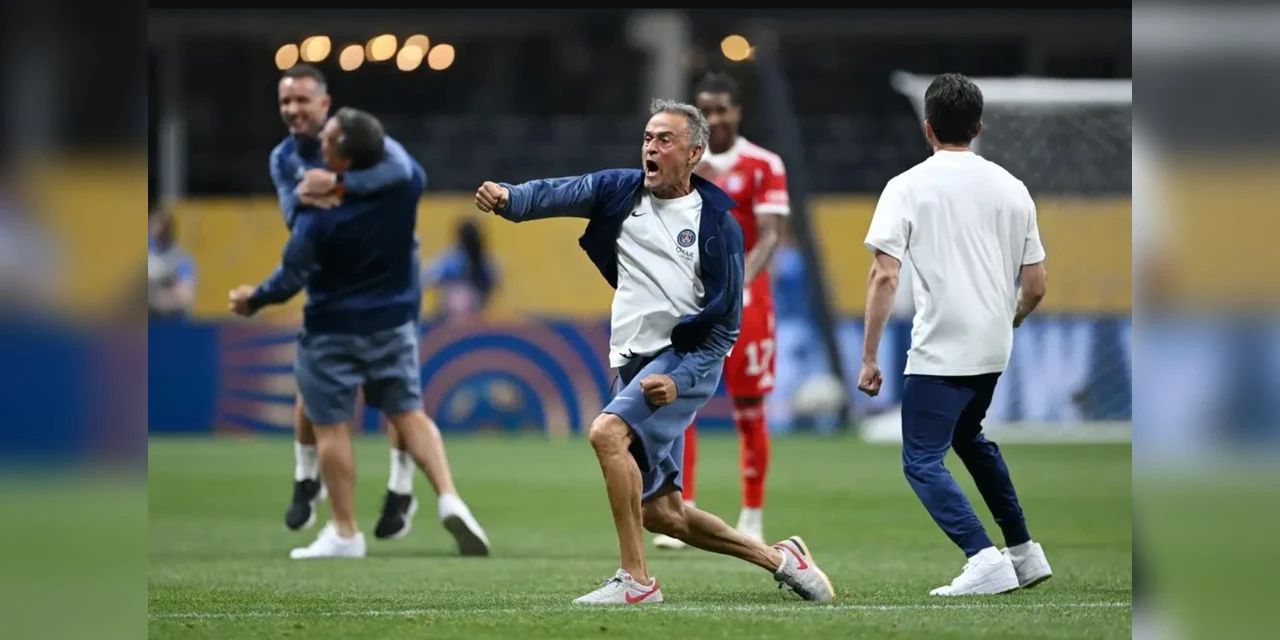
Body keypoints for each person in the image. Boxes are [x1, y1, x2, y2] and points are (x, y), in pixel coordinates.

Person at [474, 99, 834, 605]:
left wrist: (681, 380)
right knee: (664, 514)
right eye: (647, 137)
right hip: (632, 362)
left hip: (681, 360)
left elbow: (724, 328)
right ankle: (781, 560)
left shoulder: (718, 227)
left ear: (694, 154)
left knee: (606, 433)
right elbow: (557, 193)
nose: (651, 147)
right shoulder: (619, 191)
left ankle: (637, 581)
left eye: (665, 139)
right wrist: (510, 197)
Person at [233, 107, 490, 559]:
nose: (321, 141)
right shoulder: (404, 189)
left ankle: (345, 531)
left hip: (331, 329)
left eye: (329, 138)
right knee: (409, 413)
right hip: (391, 323)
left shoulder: (318, 217)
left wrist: (252, 299)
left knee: (333, 428)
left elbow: (290, 278)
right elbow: (408, 166)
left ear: (342, 157)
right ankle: (449, 496)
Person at [856, 73, 1052, 596]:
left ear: (927, 128)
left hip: (943, 345)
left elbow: (884, 274)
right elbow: (1035, 284)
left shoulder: (907, 186)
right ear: (979, 127)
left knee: (920, 459)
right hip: (994, 345)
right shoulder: (1013, 188)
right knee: (968, 437)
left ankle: (982, 557)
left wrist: (869, 355)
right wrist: (1006, 321)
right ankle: (1025, 552)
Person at [270, 64, 423, 540]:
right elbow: (293, 212)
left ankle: (401, 487)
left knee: (397, 397)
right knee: (312, 379)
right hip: (331, 279)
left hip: (390, 280)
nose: (293, 110)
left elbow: (404, 173)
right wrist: (318, 199)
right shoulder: (283, 157)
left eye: (302, 100)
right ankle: (305, 475)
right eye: (285, 102)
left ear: (324, 103)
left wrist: (335, 188)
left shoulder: (363, 140)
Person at [653, 72, 788, 550]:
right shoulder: (687, 164)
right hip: (692, 304)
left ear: (737, 111)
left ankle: (751, 514)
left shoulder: (764, 164)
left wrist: (736, 285)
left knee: (749, 408)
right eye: (704, 110)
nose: (713, 118)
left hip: (747, 303)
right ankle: (680, 506)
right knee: (680, 403)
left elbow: (770, 235)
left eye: (721, 109)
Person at [422, 217, 500, 323]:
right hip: (448, 318)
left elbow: (492, 287)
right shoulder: (451, 261)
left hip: (475, 318)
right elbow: (427, 278)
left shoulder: (486, 264)